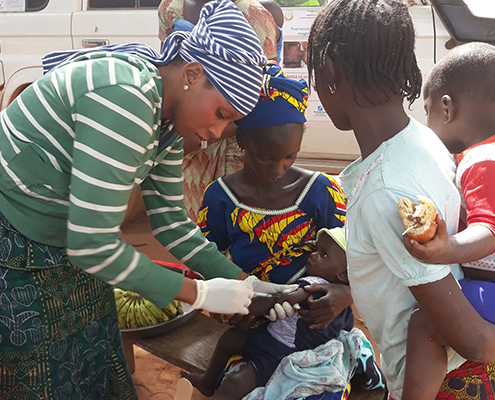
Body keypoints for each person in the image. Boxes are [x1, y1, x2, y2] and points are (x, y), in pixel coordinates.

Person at [0, 2, 298, 398]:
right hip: (17, 243)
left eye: (230, 122)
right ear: (192, 74)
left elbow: (172, 222)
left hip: (63, 238)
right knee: (46, 378)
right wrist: (201, 293)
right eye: (220, 112)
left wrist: (246, 284)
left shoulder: (166, 120)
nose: (217, 130)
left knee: (93, 356)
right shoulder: (126, 99)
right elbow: (92, 245)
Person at [306, 1, 495, 399]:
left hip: (443, 382)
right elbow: (398, 272)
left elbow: (473, 340)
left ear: (331, 69)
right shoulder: (422, 141)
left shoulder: (387, 189)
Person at [197, 62, 353, 399]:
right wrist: (227, 305)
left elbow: (353, 257)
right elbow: (206, 262)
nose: (278, 169)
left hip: (318, 325)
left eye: (289, 156)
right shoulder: (221, 199)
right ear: (241, 141)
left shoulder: (319, 192)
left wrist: (347, 295)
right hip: (256, 326)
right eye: (265, 156)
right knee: (240, 384)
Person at [401, 42, 495, 400]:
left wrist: (445, 249)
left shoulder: (481, 159)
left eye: (427, 112)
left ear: (446, 108)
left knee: (427, 322)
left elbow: (489, 230)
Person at [181, 227, 355, 400]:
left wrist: (239, 305)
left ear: (343, 274)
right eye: (316, 250)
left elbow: (280, 300)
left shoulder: (315, 285)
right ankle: (207, 382)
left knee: (236, 382)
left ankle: (209, 382)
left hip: (281, 352)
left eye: (323, 255)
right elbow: (346, 328)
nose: (313, 255)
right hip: (272, 338)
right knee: (231, 340)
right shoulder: (342, 303)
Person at [157, 0, 282, 223]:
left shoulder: (257, 14)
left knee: (237, 227)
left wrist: (204, 132)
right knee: (191, 225)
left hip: (239, 145)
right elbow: (172, 74)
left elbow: (263, 96)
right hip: (189, 142)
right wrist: (178, 140)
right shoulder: (171, 7)